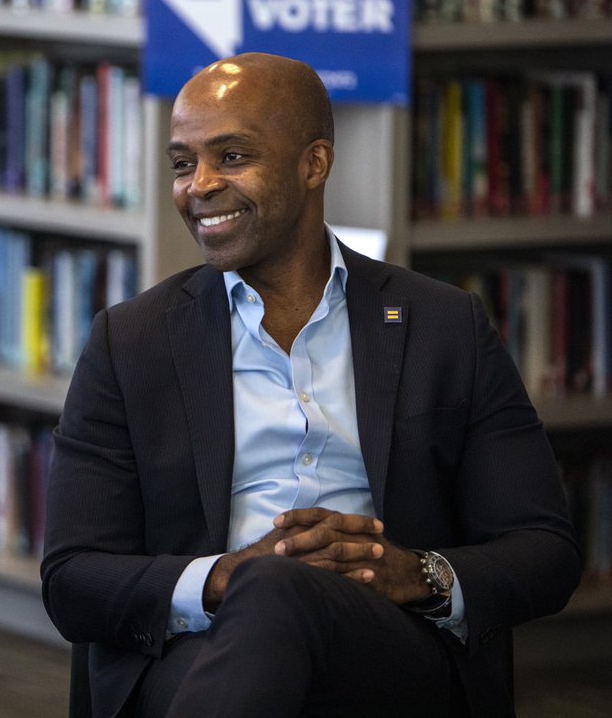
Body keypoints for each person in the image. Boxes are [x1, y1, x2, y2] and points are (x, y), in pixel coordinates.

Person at [40, 52, 581, 718]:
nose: (198, 185)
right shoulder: (132, 342)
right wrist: (221, 576)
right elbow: (71, 576)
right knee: (268, 590)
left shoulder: (443, 325)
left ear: (314, 164)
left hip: (390, 644)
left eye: (231, 157)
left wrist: (418, 573)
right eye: (183, 162)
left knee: (277, 593)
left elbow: (546, 549)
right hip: (196, 647)